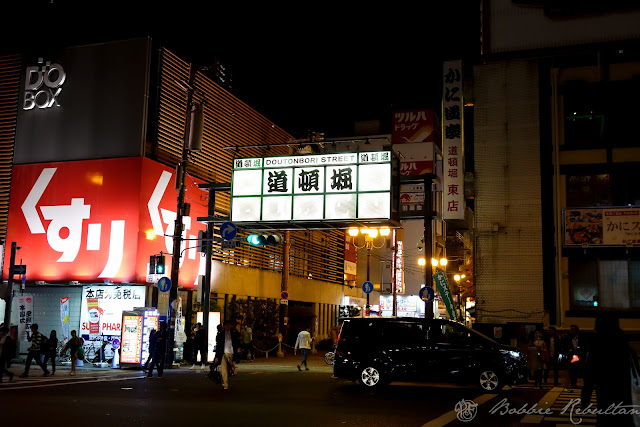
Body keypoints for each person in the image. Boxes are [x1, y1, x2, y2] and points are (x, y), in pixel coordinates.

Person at [581, 312, 639, 426]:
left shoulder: (597, 349)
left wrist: (585, 397)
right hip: (626, 396)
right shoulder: (627, 348)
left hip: (605, 395)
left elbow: (589, 375)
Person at [214, 320, 240, 390]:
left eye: (229, 325)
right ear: (224, 326)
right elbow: (218, 346)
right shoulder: (221, 335)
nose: (228, 326)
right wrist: (216, 356)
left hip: (231, 353)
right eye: (226, 325)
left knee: (229, 369)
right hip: (224, 353)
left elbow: (237, 342)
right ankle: (225, 384)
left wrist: (238, 348)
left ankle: (232, 370)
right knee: (224, 369)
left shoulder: (234, 334)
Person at [567, 324, 584, 390]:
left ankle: (577, 383)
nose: (571, 330)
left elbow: (583, 346)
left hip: (579, 356)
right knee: (572, 371)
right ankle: (573, 383)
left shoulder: (580, 338)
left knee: (578, 370)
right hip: (572, 356)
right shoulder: (569, 338)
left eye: (573, 329)